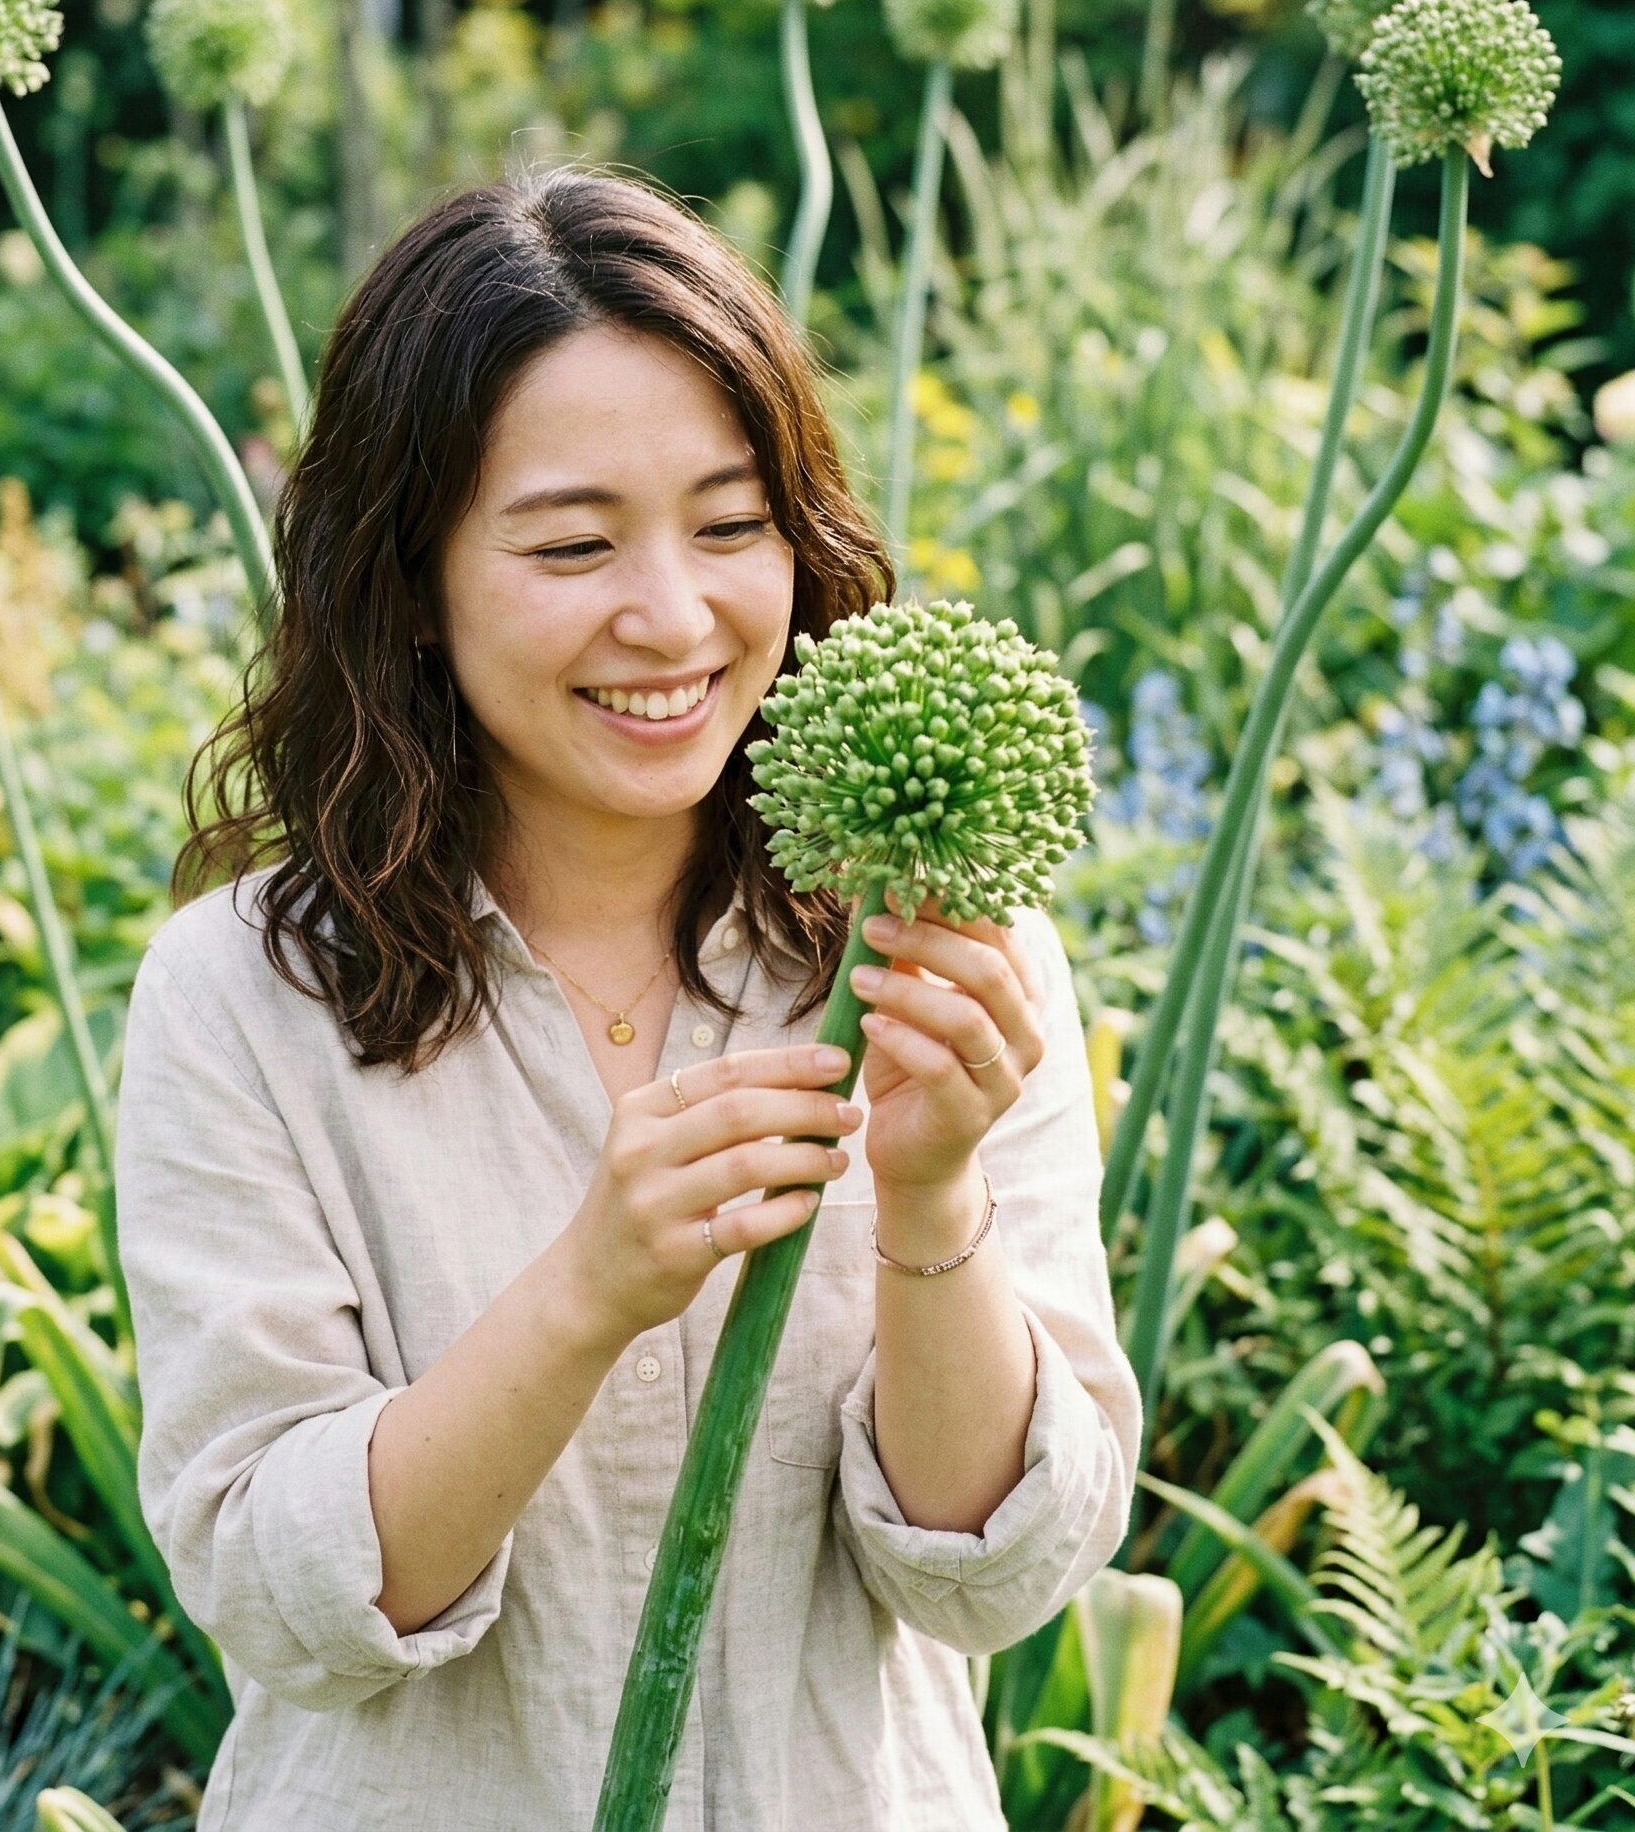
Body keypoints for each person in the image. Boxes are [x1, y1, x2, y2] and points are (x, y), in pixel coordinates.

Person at [113, 164, 1141, 1831]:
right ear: (413, 580)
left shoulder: (944, 945)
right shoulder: (244, 994)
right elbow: (271, 1583)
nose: (673, 617)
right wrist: (589, 1288)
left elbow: (994, 1577)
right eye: (574, 544)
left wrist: (933, 1190)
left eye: (734, 527)